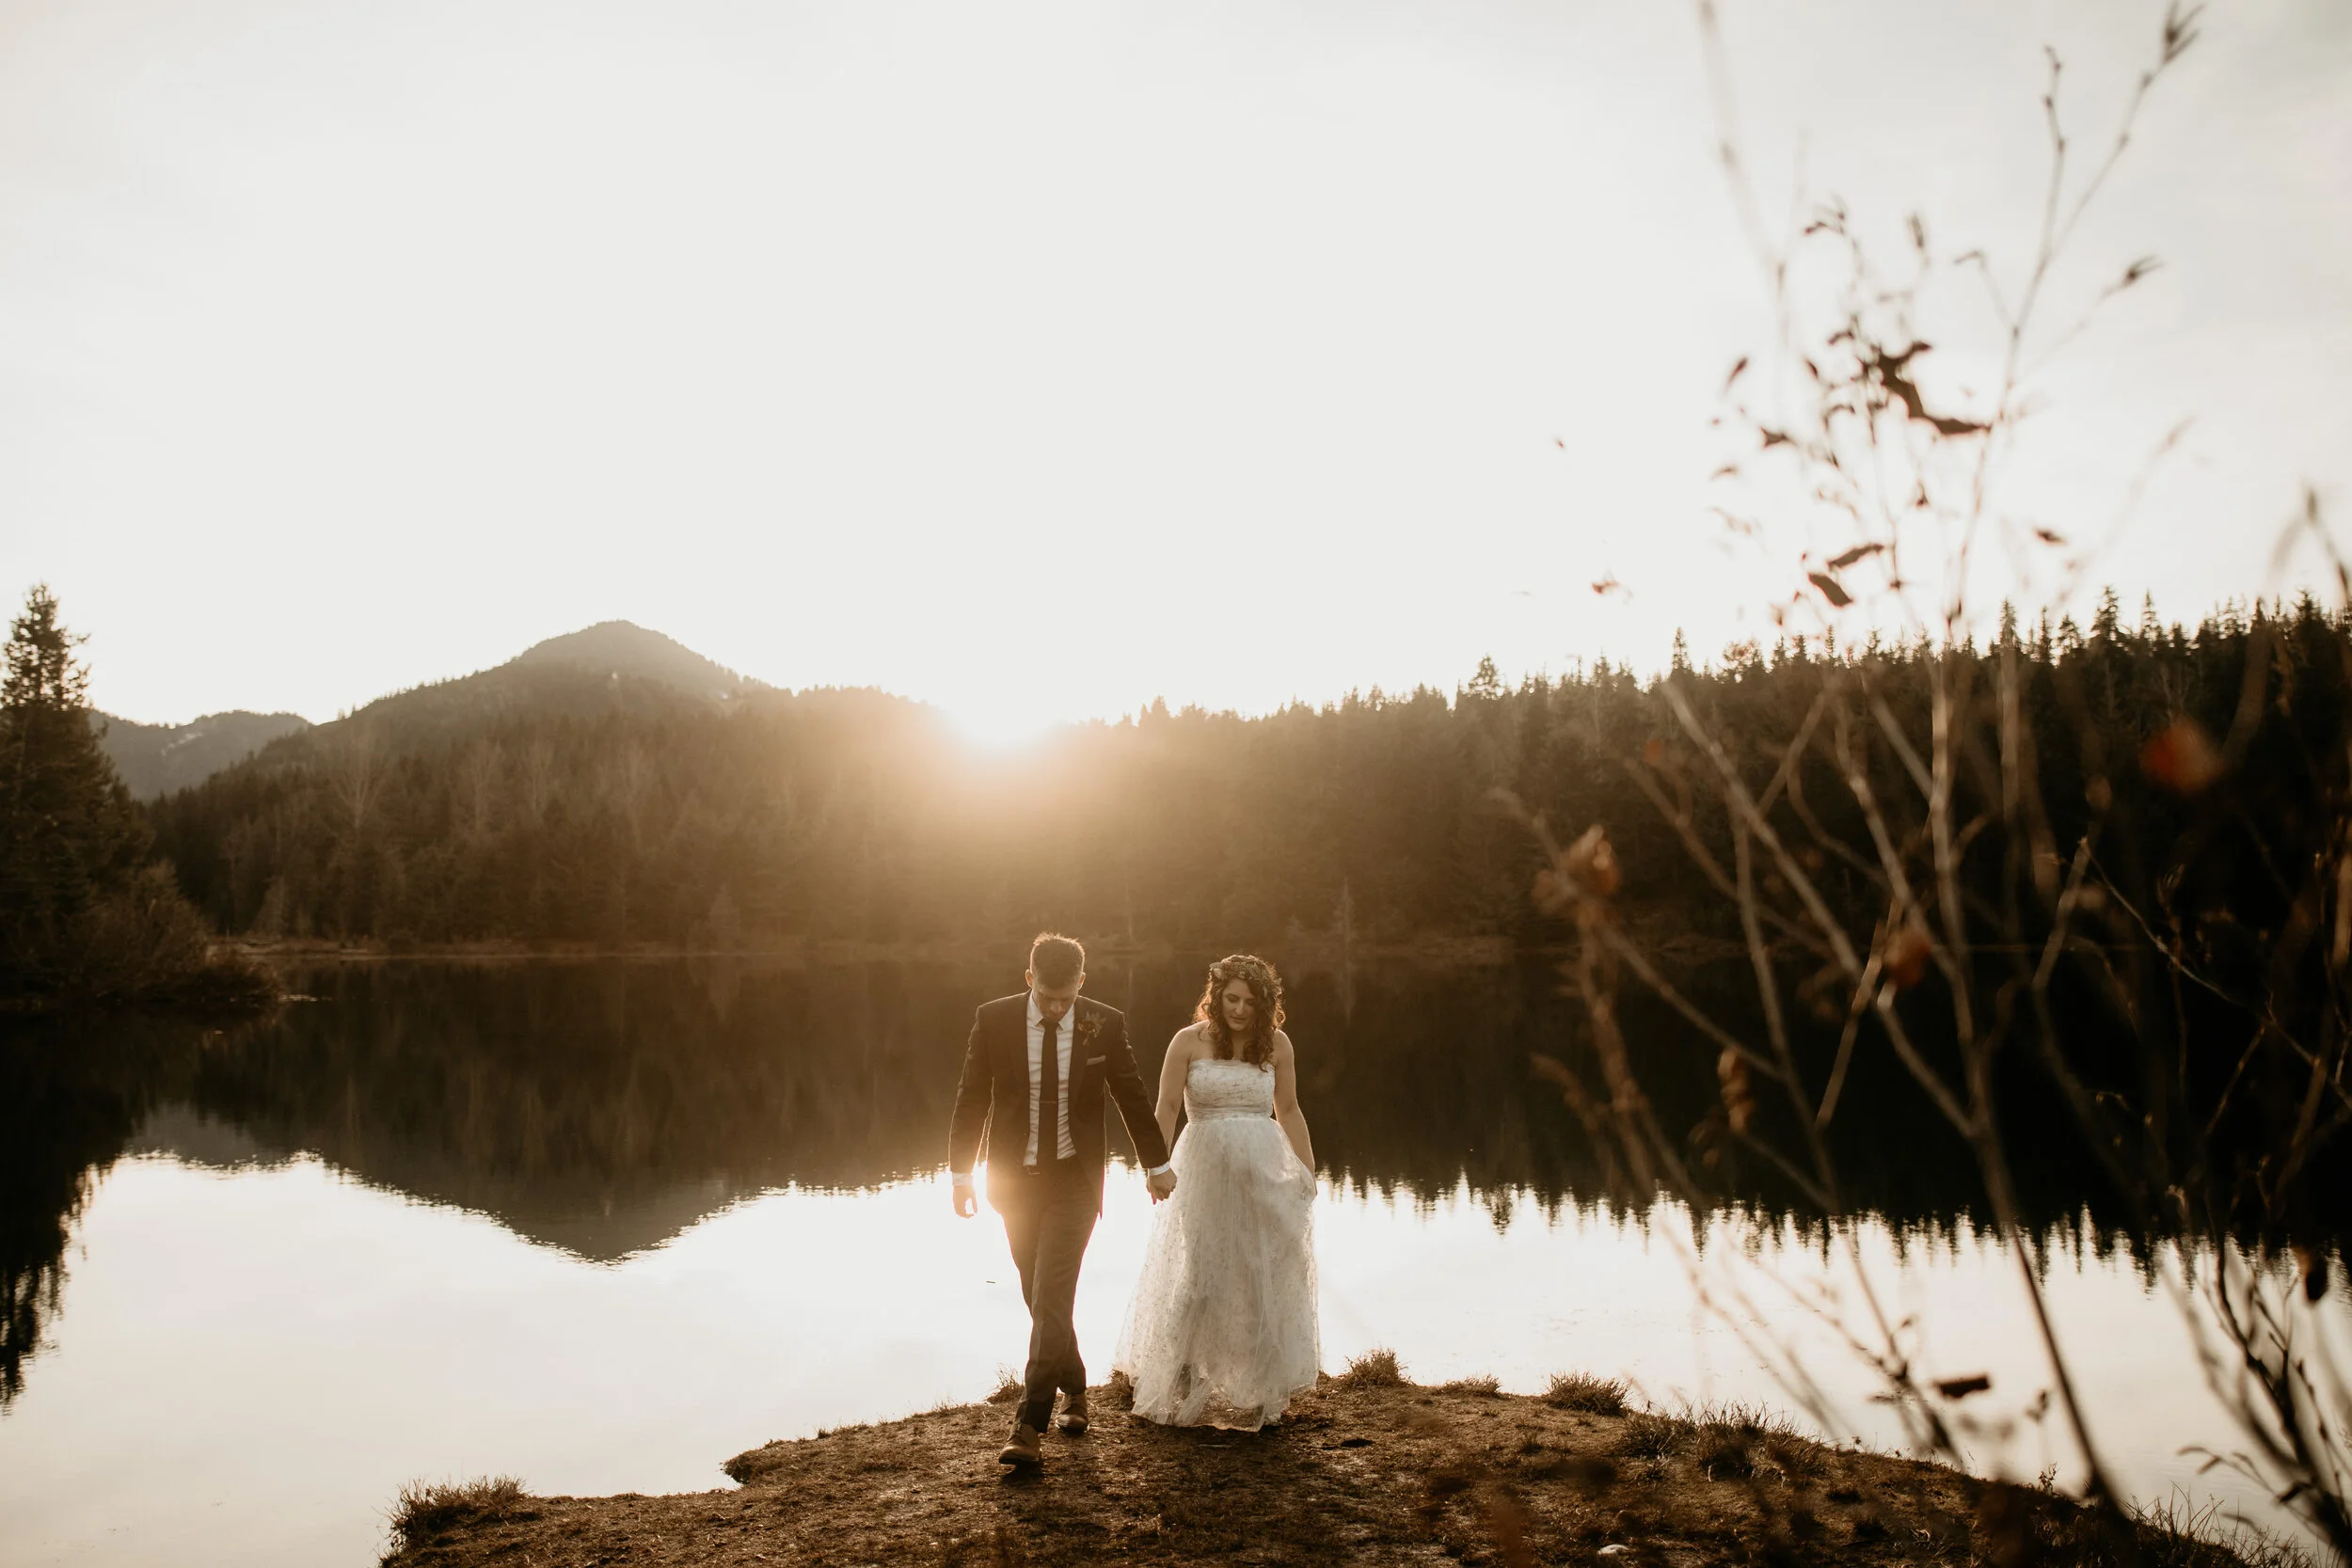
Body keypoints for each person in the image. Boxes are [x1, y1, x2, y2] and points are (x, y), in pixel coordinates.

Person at [948, 932, 1177, 1470]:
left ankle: (1029, 1423)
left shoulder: (1105, 1022)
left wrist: (1157, 1164)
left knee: (1051, 1288)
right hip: (1014, 1180)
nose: (1056, 1007)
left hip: (1075, 1182)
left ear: (1082, 983)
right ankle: (1076, 1388)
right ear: (1029, 980)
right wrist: (962, 1174)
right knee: (1038, 1292)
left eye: (1066, 997)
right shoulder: (995, 1019)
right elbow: (972, 1094)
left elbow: (1131, 1092)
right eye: (1046, 997)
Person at [1113, 953, 1320, 1429]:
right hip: (1202, 1167)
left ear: (1265, 1004)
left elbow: (1287, 1110)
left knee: (1260, 1267)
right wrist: (1155, 1164)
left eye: (1250, 1001)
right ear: (1216, 996)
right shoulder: (1188, 1041)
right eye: (1231, 998)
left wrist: (1307, 1171)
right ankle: (1174, 1373)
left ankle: (1260, 1386)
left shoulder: (1277, 1045)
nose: (1240, 1009)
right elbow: (1165, 1106)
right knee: (1205, 1265)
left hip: (1263, 1168)